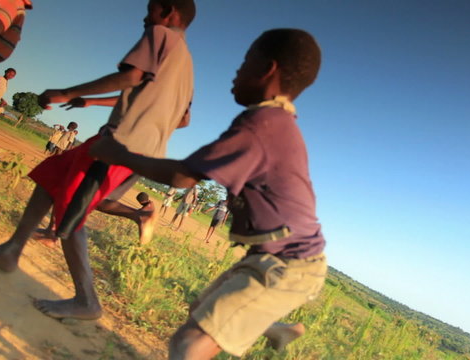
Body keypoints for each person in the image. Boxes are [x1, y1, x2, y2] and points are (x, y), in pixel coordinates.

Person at [90, 28, 326, 359]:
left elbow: (182, 176)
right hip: (276, 258)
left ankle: (260, 319)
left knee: (189, 345)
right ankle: (269, 326)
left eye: (245, 61)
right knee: (202, 309)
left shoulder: (261, 126)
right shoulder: (277, 122)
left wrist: (117, 153)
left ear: (267, 69)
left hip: (288, 265)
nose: (236, 70)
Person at [0, 0, 196, 321]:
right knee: (52, 175)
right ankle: (11, 250)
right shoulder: (185, 63)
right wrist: (89, 101)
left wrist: (64, 92)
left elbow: (131, 78)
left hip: (120, 142)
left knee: (72, 205)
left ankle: (87, 300)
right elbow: (180, 118)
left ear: (169, 11)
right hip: (131, 144)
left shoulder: (161, 34)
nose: (146, 17)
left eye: (151, 8)